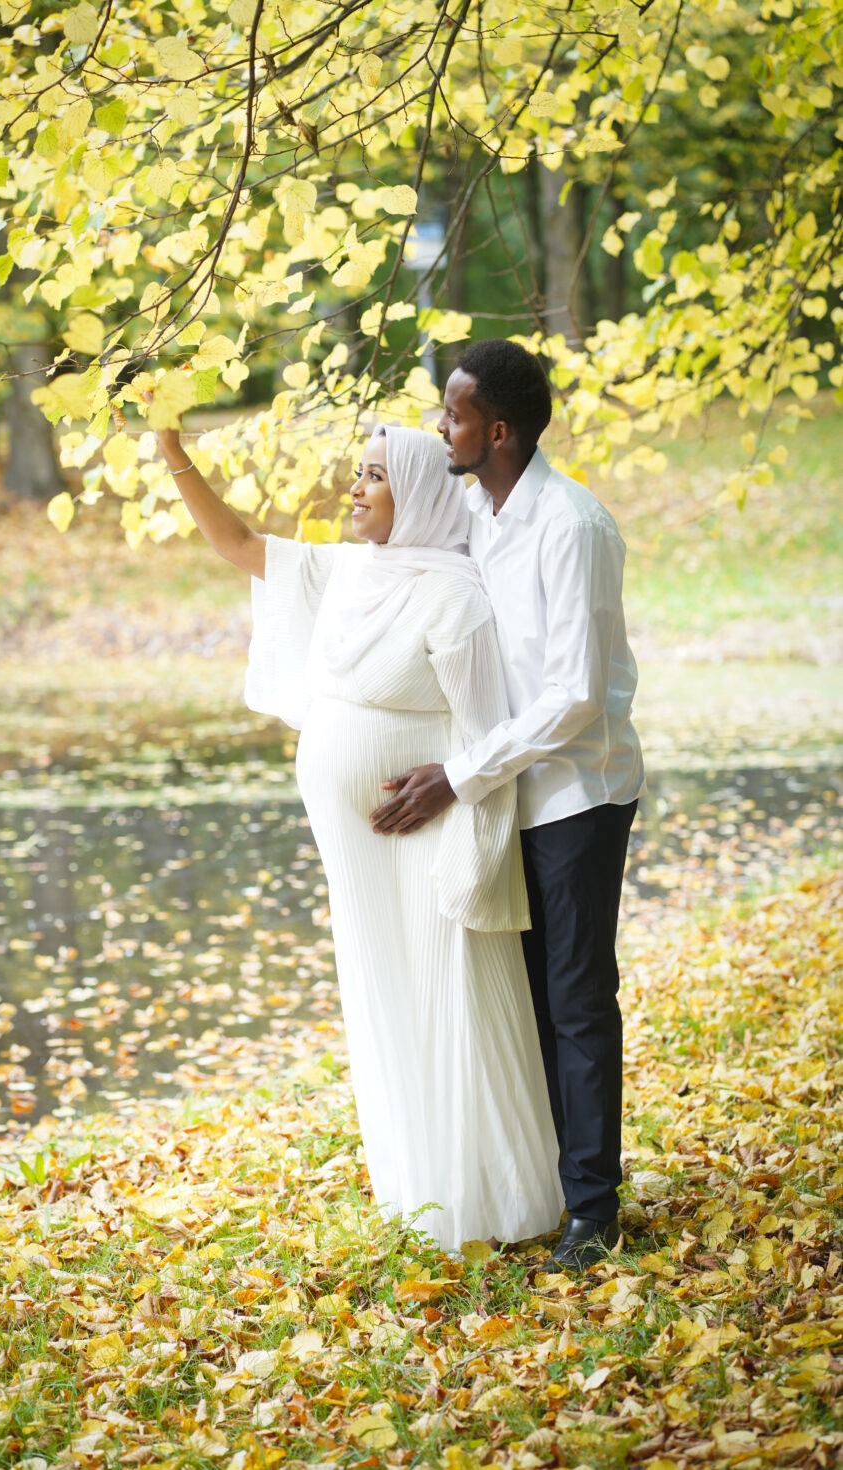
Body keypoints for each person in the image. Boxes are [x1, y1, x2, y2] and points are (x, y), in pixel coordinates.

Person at [142, 406, 563, 1252]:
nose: (356, 486)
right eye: (360, 471)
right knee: (385, 999)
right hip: (358, 851)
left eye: (374, 474)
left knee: (453, 999)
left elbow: (486, 737)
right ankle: (419, 1191)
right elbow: (233, 543)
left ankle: (495, 1201)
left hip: (428, 840)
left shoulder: (454, 597)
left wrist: (458, 815)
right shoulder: (347, 572)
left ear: (414, 490)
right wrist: (170, 451)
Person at [370, 340, 644, 1271]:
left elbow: (571, 695)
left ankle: (594, 1211)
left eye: (450, 413)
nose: (437, 426)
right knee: (525, 997)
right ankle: (554, 1184)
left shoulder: (571, 525)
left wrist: (457, 773)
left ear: (498, 430)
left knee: (574, 1000)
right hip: (506, 794)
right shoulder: (477, 513)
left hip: (576, 791)